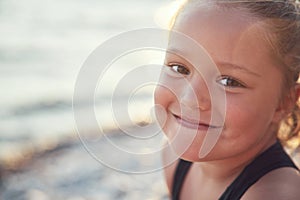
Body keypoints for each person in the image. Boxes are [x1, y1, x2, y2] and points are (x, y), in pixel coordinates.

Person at [154, 0, 300, 199]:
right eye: (179, 68)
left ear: (284, 101)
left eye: (228, 81)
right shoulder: (173, 158)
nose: (190, 99)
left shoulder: (274, 193)